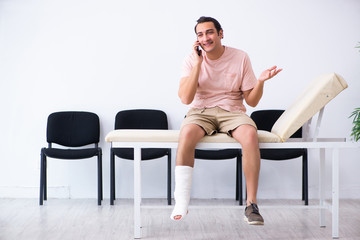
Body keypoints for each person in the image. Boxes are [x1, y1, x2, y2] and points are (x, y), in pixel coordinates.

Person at [170, 16, 282, 225]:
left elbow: (252, 101)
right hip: (200, 110)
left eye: (210, 32)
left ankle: (251, 204)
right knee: (186, 135)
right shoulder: (190, 59)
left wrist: (260, 81)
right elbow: (185, 98)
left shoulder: (240, 57)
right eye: (200, 34)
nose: (205, 38)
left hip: (232, 110)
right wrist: (198, 64)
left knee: (250, 135)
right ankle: (181, 201)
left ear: (220, 34)